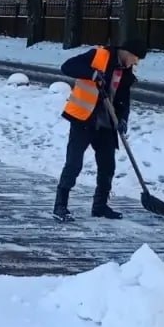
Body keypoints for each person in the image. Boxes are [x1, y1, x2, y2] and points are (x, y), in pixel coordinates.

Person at [52, 37, 149, 222]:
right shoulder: (98, 55)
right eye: (136, 57)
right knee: (74, 163)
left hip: (106, 124)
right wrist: (92, 73)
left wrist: (123, 120)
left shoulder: (126, 72)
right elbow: (67, 66)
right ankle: (60, 206)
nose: (136, 62)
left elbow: (124, 100)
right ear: (125, 51)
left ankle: (100, 206)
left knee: (107, 166)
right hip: (83, 119)